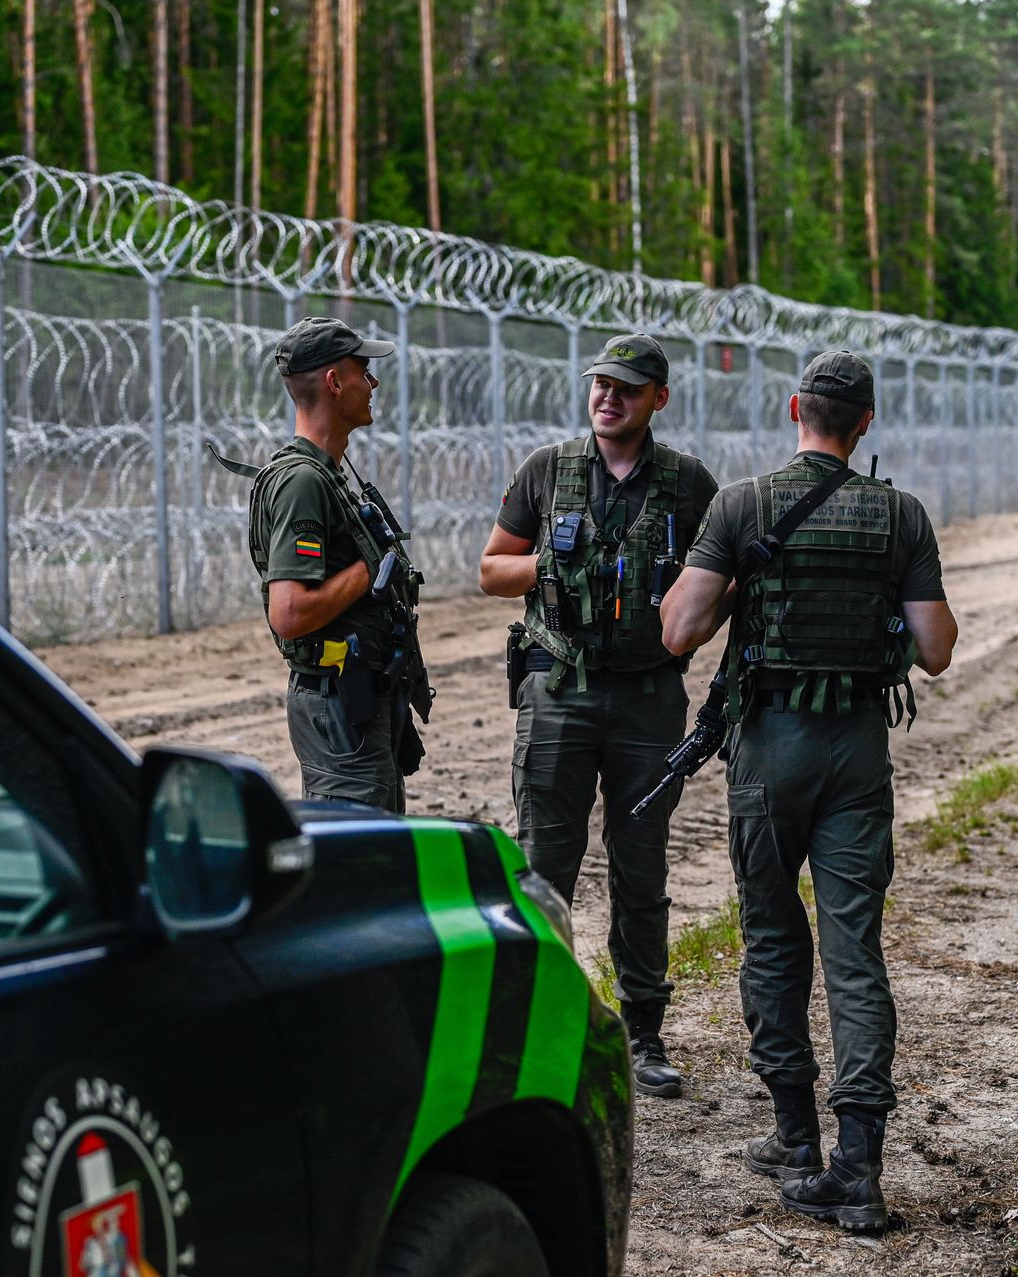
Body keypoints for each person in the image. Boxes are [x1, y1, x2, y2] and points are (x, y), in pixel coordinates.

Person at [659, 351, 958, 1231]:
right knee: (854, 950)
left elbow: (679, 629)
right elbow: (935, 649)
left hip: (769, 748)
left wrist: (738, 583)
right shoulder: (900, 515)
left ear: (796, 408)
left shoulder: (741, 505)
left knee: (771, 938)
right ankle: (858, 1168)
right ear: (865, 422)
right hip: (855, 748)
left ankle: (794, 1137)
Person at [479, 333, 719, 1098]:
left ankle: (642, 1028)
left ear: (658, 397)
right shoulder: (548, 469)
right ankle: (540, 1025)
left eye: (625, 386)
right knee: (546, 864)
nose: (607, 396)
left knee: (640, 866)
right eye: (599, 385)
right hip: (560, 691)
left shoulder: (687, 484)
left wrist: (688, 629)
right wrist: (552, 565)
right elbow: (491, 568)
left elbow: (721, 585)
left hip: (648, 696)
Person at [247, 316, 428, 813]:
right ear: (333, 382)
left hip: (359, 694)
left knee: (380, 846)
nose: (372, 384)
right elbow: (289, 613)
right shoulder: (302, 482)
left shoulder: (328, 474)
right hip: (337, 703)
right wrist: (369, 569)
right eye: (362, 371)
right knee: (357, 859)